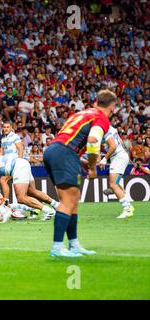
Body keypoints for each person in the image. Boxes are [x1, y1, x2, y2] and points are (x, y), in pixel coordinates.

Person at [43, 89, 117, 258]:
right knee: (68, 201)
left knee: (73, 200)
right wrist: (92, 167)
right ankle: (57, 247)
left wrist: (80, 160)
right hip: (65, 153)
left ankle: (74, 244)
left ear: (96, 101)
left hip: (55, 151)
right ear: (112, 107)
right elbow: (93, 140)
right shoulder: (101, 117)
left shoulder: (83, 113)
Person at [100, 126, 135, 219]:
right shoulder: (112, 128)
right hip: (121, 156)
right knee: (115, 183)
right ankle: (128, 205)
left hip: (118, 158)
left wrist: (104, 159)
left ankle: (127, 209)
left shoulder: (105, 131)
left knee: (113, 184)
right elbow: (121, 142)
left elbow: (113, 146)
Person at [0, 121, 24, 201]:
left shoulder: (15, 136)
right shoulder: (3, 139)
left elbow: (21, 149)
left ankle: (6, 201)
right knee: (30, 190)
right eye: (4, 127)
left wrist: (19, 162)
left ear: (11, 128)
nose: (6, 129)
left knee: (3, 180)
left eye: (7, 127)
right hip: (7, 163)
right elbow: (2, 153)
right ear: (2, 128)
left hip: (14, 163)